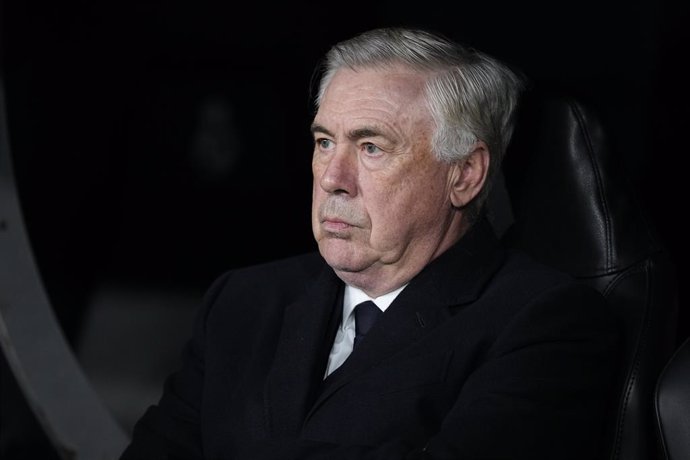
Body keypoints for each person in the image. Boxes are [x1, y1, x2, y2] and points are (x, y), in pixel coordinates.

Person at [120, 27, 621, 460]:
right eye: (323, 142)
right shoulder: (243, 302)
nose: (333, 178)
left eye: (371, 147)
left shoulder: (544, 322)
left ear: (465, 174)